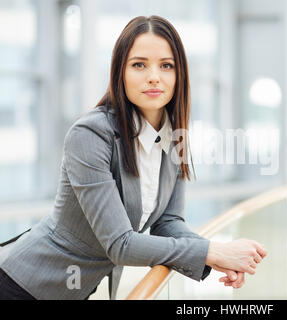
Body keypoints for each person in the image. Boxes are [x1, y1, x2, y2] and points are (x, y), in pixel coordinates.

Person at [0, 15, 267, 300]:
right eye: (139, 65)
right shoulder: (90, 134)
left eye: (166, 65)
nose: (154, 76)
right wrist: (213, 252)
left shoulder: (175, 136)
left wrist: (218, 254)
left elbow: (167, 222)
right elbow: (120, 244)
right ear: (120, 72)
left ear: (180, 75)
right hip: (21, 285)